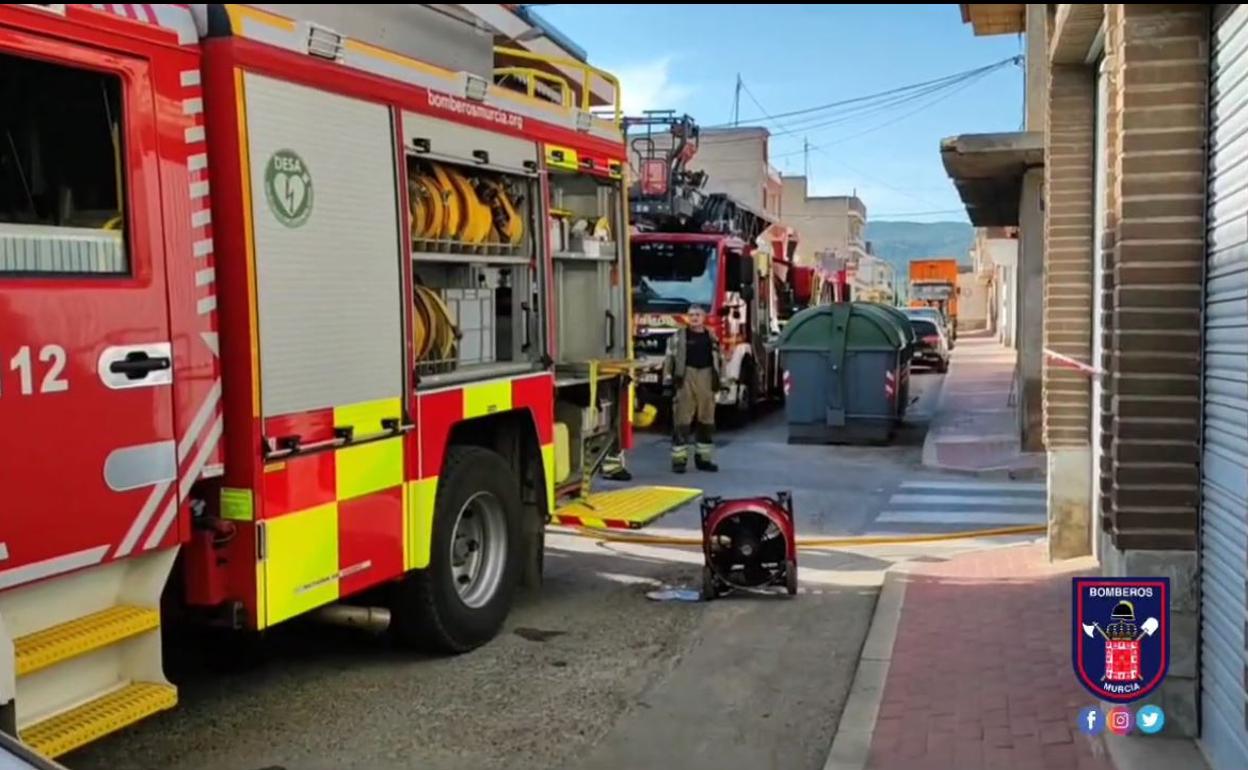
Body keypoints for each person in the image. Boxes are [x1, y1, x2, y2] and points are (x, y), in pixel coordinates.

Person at [663, 304, 722, 473]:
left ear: (704, 317)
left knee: (706, 420)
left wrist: (719, 381)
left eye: (697, 314)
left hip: (707, 377)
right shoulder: (678, 337)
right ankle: (679, 461)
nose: (694, 318)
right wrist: (668, 382)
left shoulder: (712, 337)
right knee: (682, 420)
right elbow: (669, 360)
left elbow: (719, 359)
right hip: (686, 377)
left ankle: (703, 460)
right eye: (691, 315)